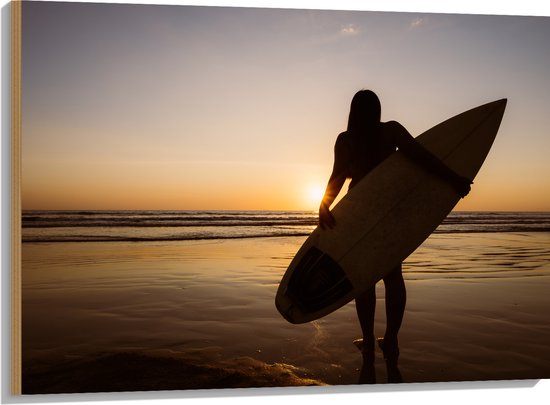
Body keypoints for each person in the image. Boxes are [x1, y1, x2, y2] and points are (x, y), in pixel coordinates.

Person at [319, 90, 471, 367]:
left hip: (359, 211)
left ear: (352, 111)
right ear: (377, 109)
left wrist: (324, 204)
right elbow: (423, 158)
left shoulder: (346, 139)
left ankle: (368, 341)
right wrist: (454, 179)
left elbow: (338, 176)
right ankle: (391, 339)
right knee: (393, 275)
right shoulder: (390, 132)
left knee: (364, 279)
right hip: (390, 211)